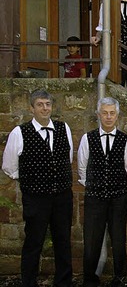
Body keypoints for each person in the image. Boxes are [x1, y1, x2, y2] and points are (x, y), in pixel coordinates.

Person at [2, 90, 74, 286]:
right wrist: (30, 180)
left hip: (62, 196)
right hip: (35, 198)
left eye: (48, 104)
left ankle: (64, 282)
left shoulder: (63, 128)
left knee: (63, 241)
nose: (45, 108)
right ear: (31, 108)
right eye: (40, 104)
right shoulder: (20, 132)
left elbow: (68, 159)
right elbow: (9, 166)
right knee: (34, 242)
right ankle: (29, 282)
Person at [77, 97, 127, 287]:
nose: (108, 117)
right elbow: (82, 168)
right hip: (94, 196)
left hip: (118, 197)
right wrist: (95, 185)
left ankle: (120, 278)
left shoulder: (126, 140)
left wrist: (113, 184)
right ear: (98, 114)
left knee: (118, 239)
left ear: (117, 116)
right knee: (91, 240)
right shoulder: (88, 138)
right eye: (105, 113)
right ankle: (90, 280)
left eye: (112, 113)